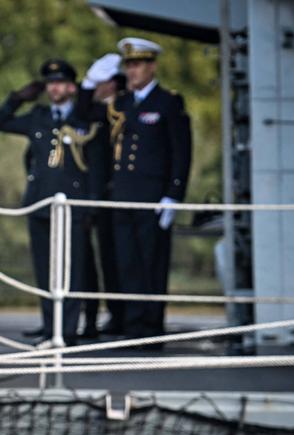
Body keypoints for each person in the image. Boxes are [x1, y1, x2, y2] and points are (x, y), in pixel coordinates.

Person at [76, 38, 192, 340]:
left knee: (151, 263)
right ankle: (132, 326)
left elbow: (181, 151)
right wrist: (90, 82)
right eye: (128, 65)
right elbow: (84, 113)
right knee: (125, 262)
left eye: (138, 64)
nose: (132, 70)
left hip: (153, 197)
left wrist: (174, 194)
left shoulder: (168, 102)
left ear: (152, 66)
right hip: (122, 196)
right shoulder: (121, 103)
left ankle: (151, 329)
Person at [0, 58, 107, 346]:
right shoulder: (38, 115)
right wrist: (17, 98)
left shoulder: (87, 116)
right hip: (40, 202)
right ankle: (49, 325)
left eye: (60, 83)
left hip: (73, 204)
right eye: (50, 84)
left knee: (73, 269)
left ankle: (67, 330)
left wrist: (92, 204)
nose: (54, 88)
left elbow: (96, 164)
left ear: (71, 86)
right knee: (45, 268)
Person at [80, 53, 126, 337]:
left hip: (118, 195)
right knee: (98, 262)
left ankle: (122, 316)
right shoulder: (98, 111)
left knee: (118, 261)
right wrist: (87, 83)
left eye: (101, 83)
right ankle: (106, 316)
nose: (97, 89)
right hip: (96, 196)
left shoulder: (125, 107)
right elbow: (82, 111)